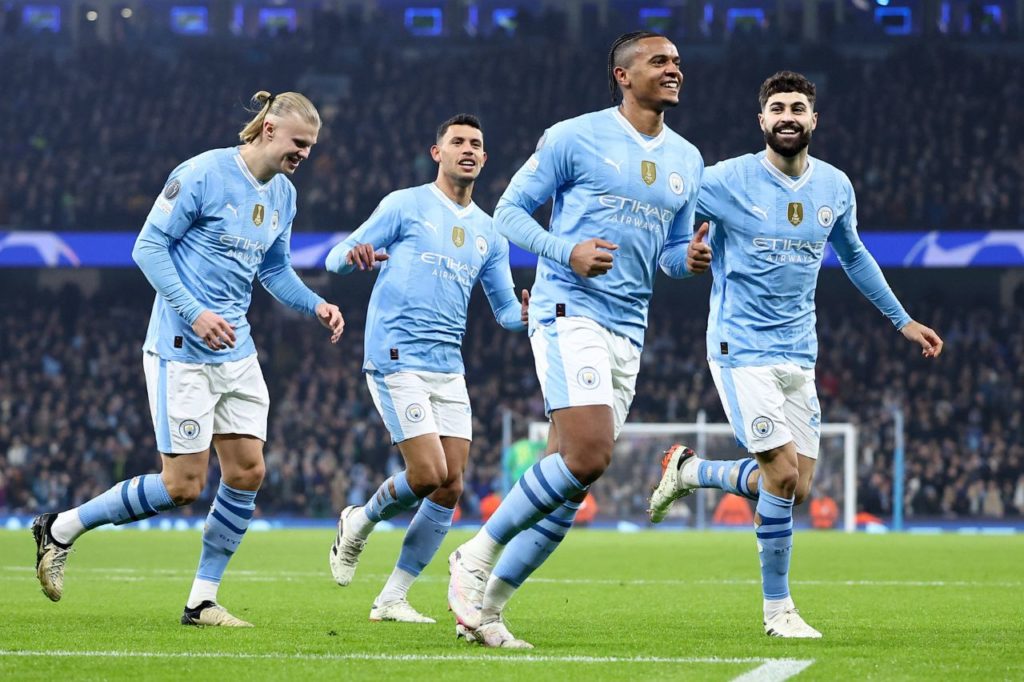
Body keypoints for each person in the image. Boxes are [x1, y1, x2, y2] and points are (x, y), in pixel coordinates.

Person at [31, 91, 345, 627]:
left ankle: (202, 600)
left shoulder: (285, 196)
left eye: (310, 146)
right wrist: (195, 312)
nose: (304, 154)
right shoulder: (202, 173)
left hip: (237, 350)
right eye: (298, 143)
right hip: (181, 348)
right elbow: (147, 248)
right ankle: (60, 527)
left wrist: (315, 303)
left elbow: (272, 271)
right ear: (269, 129)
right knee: (183, 486)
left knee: (248, 472)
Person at [648, 71, 943, 638]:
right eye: (777, 107)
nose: (788, 115)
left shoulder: (834, 187)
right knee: (781, 475)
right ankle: (778, 610)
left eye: (798, 108)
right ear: (761, 120)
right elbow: (668, 244)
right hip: (740, 348)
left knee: (795, 487)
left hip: (798, 351)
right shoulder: (723, 181)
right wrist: (687, 258)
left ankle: (689, 471)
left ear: (813, 120)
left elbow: (854, 257)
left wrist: (901, 320)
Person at [446, 31, 706, 648]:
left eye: (676, 61)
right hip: (569, 307)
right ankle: (475, 553)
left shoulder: (688, 159)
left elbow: (668, 254)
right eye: (658, 61)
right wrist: (567, 250)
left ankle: (487, 612)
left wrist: (687, 260)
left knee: (571, 481)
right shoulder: (573, 137)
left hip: (629, 325)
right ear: (623, 74)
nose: (673, 69)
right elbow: (506, 214)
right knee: (589, 455)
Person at [324, 114, 527, 624]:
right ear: (436, 152)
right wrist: (356, 256)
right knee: (428, 473)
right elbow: (332, 260)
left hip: (447, 365)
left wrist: (529, 312)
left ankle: (392, 598)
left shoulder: (490, 233)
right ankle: (359, 521)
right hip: (396, 356)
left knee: (450, 485)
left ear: (485, 159)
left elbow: (504, 314)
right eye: (456, 141)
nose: (467, 149)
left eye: (476, 144)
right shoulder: (405, 204)